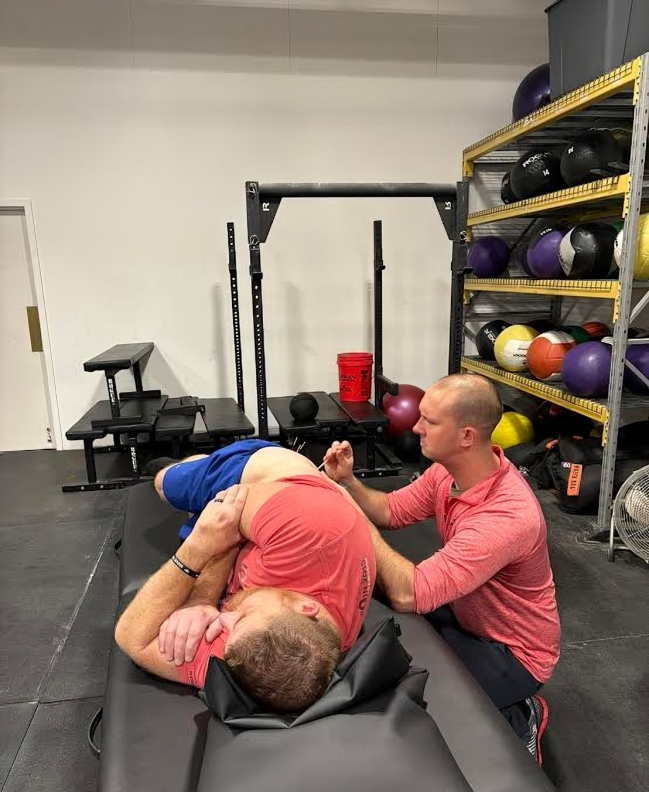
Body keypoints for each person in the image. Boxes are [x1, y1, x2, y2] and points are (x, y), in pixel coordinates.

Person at [322, 373, 560, 765]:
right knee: (379, 603)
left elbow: (409, 593)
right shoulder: (448, 470)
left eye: (429, 422)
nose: (414, 427)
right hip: (466, 613)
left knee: (420, 707)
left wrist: (352, 520)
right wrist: (347, 483)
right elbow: (390, 511)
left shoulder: (507, 516)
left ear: (467, 436)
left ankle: (520, 715)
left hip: (513, 654)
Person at [115, 440, 376, 714]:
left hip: (264, 528)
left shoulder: (276, 657)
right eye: (243, 616)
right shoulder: (311, 528)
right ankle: (196, 462)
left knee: (194, 526)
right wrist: (200, 599)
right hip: (258, 475)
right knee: (166, 486)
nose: (224, 619)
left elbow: (133, 639)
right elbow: (228, 508)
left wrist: (193, 552)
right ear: (306, 607)